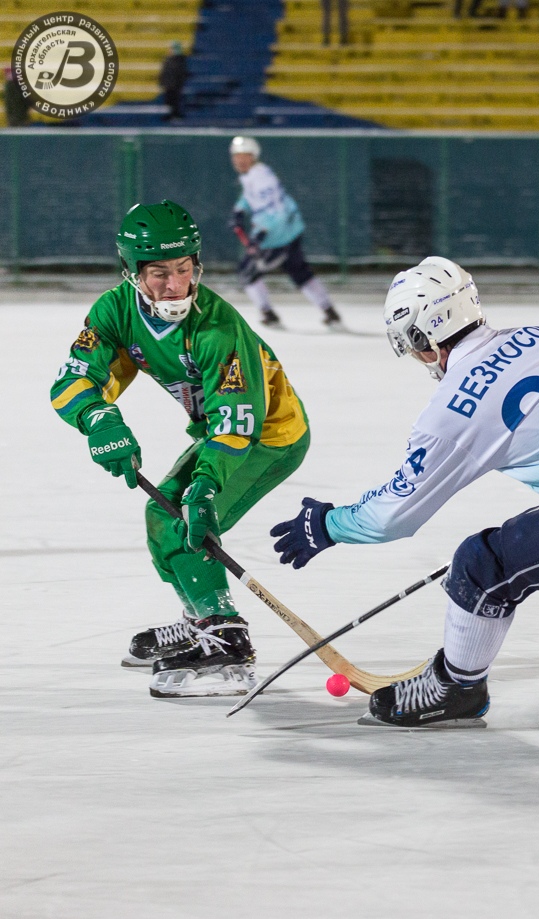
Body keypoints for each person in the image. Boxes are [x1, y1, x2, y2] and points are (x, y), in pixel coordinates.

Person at [268, 257, 539, 728]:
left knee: (482, 565)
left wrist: (326, 525)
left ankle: (457, 689)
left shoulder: (455, 408)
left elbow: (392, 515)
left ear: (424, 339)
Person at [49, 200, 311, 698]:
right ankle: (199, 619)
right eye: (159, 274)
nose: (175, 287)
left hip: (267, 438)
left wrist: (206, 488)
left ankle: (226, 638)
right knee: (161, 516)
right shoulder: (115, 311)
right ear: (131, 273)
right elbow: (75, 377)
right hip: (220, 434)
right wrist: (99, 417)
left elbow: (237, 424)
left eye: (184, 270)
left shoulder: (218, 329)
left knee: (180, 521)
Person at [228, 136, 344, 330]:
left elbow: (275, 211)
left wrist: (260, 235)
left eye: (244, 155)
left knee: (247, 273)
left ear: (253, 156)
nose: (239, 160)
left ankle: (268, 314)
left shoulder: (261, 178)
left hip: (277, 238)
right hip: (288, 232)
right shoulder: (257, 174)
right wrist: (239, 210)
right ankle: (330, 312)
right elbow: (252, 198)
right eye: (236, 156)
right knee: (301, 274)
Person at [158, 41, 187, 121]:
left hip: (175, 85)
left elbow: (180, 73)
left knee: (175, 101)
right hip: (169, 84)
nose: (169, 50)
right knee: (169, 101)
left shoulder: (179, 60)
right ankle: (170, 114)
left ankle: (175, 114)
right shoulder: (168, 60)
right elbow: (164, 72)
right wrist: (162, 81)